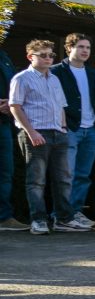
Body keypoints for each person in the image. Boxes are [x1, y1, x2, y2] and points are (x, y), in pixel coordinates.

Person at [8, 39, 90, 234]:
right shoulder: (22, 78)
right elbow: (15, 106)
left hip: (58, 133)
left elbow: (61, 105)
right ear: (31, 57)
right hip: (36, 133)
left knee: (63, 178)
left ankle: (64, 219)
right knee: (36, 180)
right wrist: (31, 132)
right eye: (43, 55)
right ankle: (38, 220)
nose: (48, 58)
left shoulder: (54, 78)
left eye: (51, 55)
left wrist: (63, 127)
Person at [51, 33, 95, 228]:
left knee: (83, 174)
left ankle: (75, 212)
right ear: (69, 48)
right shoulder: (56, 71)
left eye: (88, 48)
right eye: (80, 47)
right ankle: (61, 215)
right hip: (70, 129)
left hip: (90, 129)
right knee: (67, 174)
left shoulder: (92, 73)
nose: (85, 51)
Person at [0, 48, 29, 231]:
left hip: (4, 123)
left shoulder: (4, 56)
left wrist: (10, 103)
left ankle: (3, 217)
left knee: (5, 172)